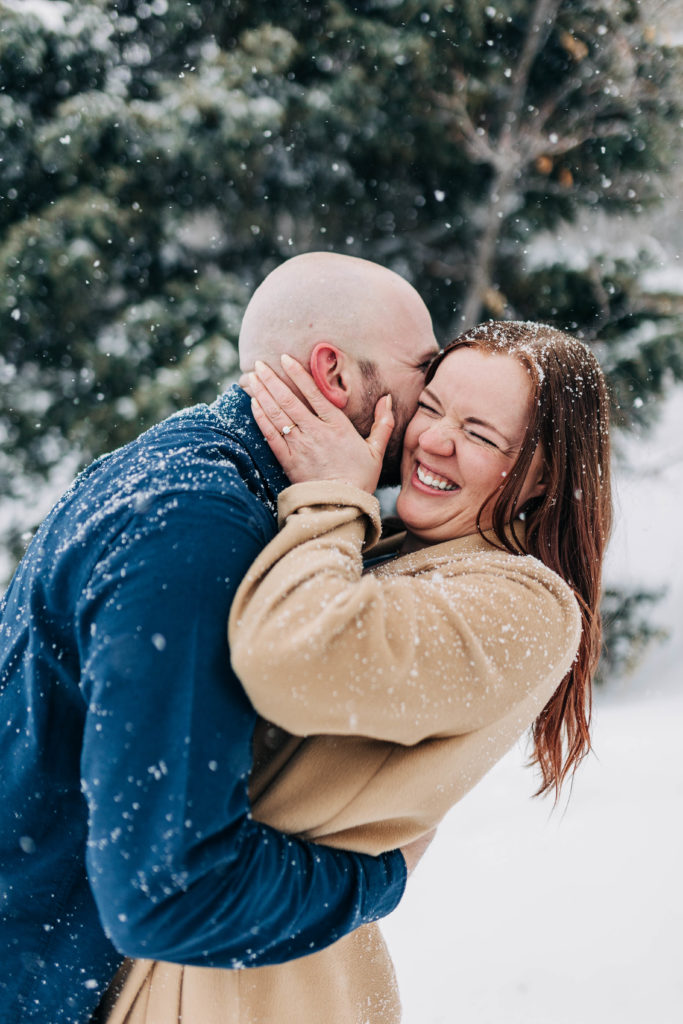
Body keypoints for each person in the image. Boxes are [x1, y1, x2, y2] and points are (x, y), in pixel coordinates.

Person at [102, 320, 612, 1023]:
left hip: (262, 987)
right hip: (222, 942)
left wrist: (331, 495)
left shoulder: (526, 606)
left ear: (543, 476)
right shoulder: (402, 543)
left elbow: (290, 659)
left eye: (479, 434)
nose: (432, 440)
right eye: (429, 408)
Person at [0, 252, 439, 1023]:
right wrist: (378, 878)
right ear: (334, 377)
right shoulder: (196, 527)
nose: (430, 405)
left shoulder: (177, 470)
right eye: (422, 372)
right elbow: (168, 891)